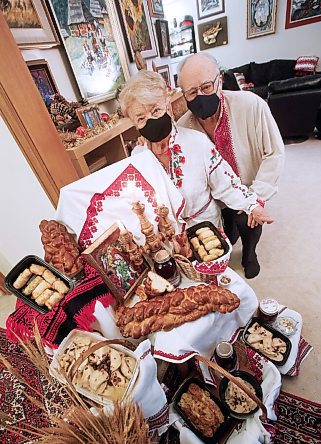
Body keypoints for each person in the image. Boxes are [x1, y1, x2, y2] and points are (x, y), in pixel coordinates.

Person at [118, 70, 273, 232]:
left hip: (205, 226)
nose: (151, 121)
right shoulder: (138, 157)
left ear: (168, 107)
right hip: (169, 235)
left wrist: (252, 205)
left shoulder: (197, 142)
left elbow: (226, 184)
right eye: (141, 118)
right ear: (135, 124)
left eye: (156, 110)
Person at [177, 53, 284, 278]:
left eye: (206, 87)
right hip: (214, 197)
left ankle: (250, 253)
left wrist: (257, 196)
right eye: (192, 92)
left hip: (248, 187)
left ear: (220, 81)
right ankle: (231, 228)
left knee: (247, 220)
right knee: (219, 235)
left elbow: (274, 153)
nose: (200, 96)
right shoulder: (182, 127)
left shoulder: (251, 105)